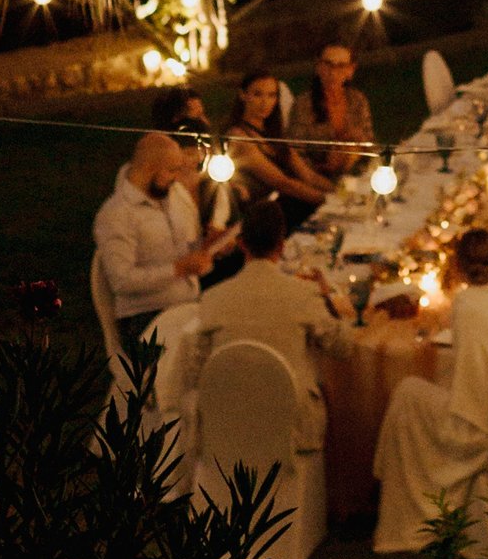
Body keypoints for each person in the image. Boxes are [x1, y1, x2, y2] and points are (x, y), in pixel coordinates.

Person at [372, 225, 488, 554]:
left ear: (459, 265)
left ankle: (406, 515)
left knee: (407, 393)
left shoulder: (465, 302)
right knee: (424, 390)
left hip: (479, 426)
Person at [196, 198, 354, 445]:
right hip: (292, 428)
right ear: (281, 246)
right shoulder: (303, 295)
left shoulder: (212, 299)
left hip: (229, 425)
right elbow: (344, 346)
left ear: (241, 244)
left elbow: (196, 367)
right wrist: (329, 299)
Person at [93, 129, 220, 349]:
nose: (176, 179)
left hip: (185, 305)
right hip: (146, 319)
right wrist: (179, 269)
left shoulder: (170, 197)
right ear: (149, 169)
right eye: (172, 171)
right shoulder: (117, 214)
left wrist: (208, 246)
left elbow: (179, 251)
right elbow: (122, 281)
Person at [226, 71, 327, 232]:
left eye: (271, 95)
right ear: (243, 95)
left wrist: (341, 194)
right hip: (262, 219)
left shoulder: (272, 133)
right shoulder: (239, 137)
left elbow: (308, 175)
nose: (265, 102)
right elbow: (282, 183)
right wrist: (326, 200)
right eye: (257, 94)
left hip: (287, 207)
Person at [292, 39, 376, 190]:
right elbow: (295, 153)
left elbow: (369, 142)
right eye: (328, 65)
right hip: (317, 180)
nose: (333, 72)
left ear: (350, 70)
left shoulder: (357, 100)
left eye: (341, 66)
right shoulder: (304, 104)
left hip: (356, 175)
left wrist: (353, 148)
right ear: (318, 67)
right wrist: (324, 167)